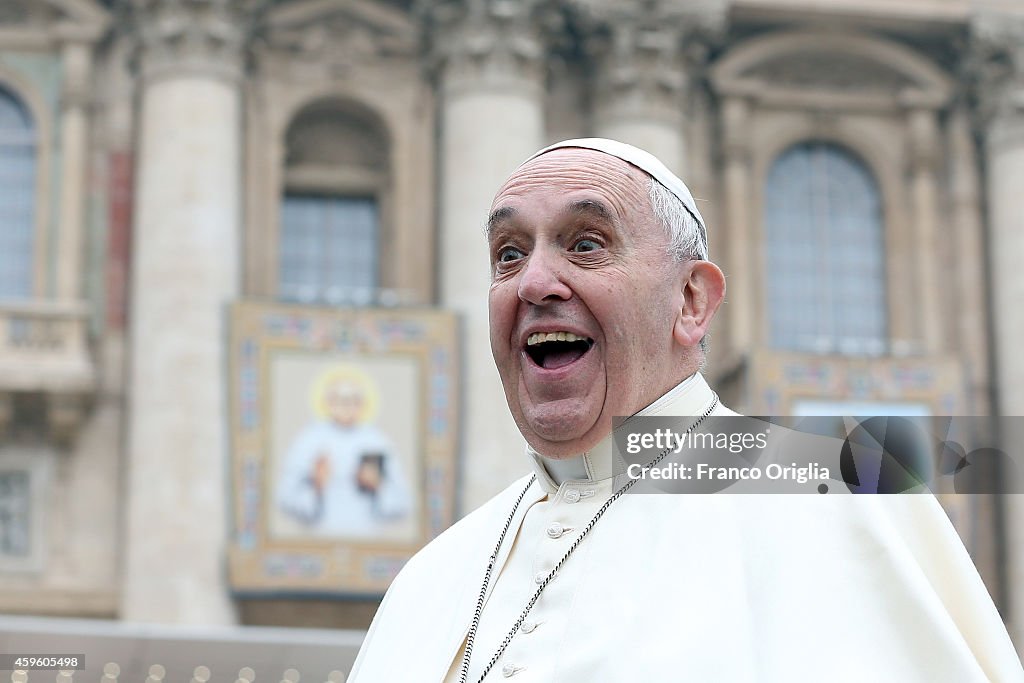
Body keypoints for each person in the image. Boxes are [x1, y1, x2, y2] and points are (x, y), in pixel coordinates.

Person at [348, 139, 1024, 681]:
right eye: (508, 254)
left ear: (692, 301)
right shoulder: (432, 577)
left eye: (586, 243)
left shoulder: (843, 489)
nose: (533, 282)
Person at [277, 365, 411, 539]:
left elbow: (403, 503)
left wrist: (378, 486)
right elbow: (285, 498)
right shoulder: (309, 440)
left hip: (365, 538)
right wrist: (317, 485)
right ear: (328, 402)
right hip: (320, 538)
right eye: (340, 399)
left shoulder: (376, 441)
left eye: (353, 400)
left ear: (362, 404)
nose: (346, 406)